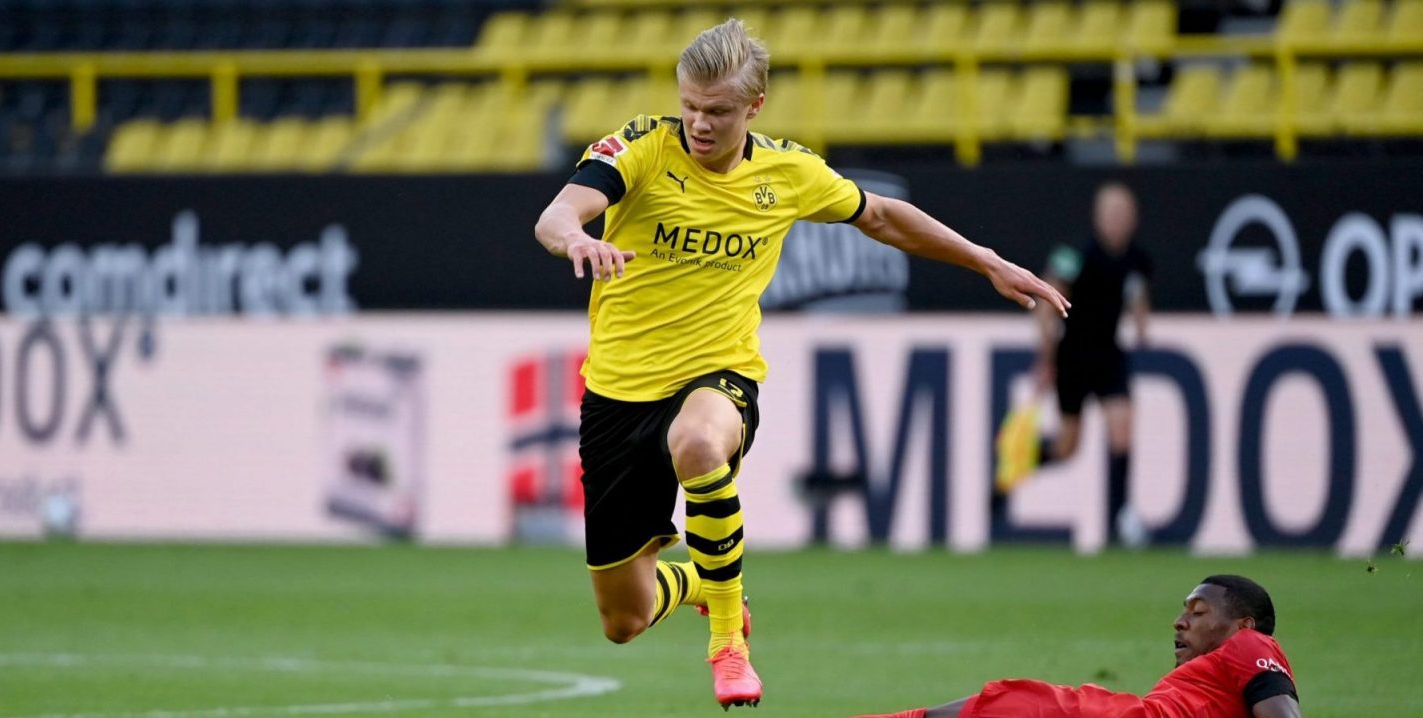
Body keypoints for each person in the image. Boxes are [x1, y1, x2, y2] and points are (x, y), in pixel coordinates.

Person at [533, 19, 1068, 710]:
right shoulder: (640, 148)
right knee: (623, 620)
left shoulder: (787, 173)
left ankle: (728, 643)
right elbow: (557, 214)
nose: (700, 123)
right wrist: (576, 237)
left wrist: (986, 260)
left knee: (698, 443)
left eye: (718, 110)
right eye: (690, 105)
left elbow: (882, 217)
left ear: (754, 107)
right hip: (616, 396)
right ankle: (703, 583)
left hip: (717, 375)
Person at [852, 575, 1302, 718]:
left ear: (1243, 625)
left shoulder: (1251, 644)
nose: (1180, 621)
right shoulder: (1211, 685)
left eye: (1198, 612)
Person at [997, 182, 1153, 547]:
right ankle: (1012, 467)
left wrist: (1142, 322)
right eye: (1111, 214)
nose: (1117, 221)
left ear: (1133, 219)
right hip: (1074, 356)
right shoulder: (1075, 254)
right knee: (1067, 447)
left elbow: (1138, 295)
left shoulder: (1137, 258)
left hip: (1109, 355)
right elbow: (1047, 299)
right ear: (1098, 217)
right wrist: (1046, 357)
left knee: (1122, 430)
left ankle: (1120, 517)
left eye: (1123, 215)